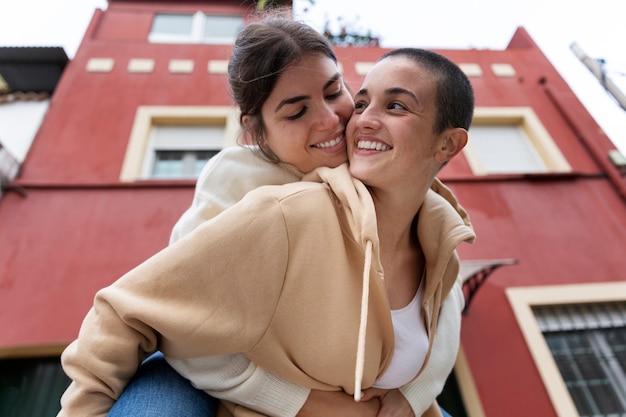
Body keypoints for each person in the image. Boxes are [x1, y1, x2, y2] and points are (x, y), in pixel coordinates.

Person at [58, 23, 475, 417]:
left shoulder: (380, 173)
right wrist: (304, 402)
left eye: (337, 93)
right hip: (202, 362)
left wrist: (413, 395)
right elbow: (182, 323)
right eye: (296, 113)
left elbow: (443, 304)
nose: (333, 120)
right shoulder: (245, 184)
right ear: (256, 134)